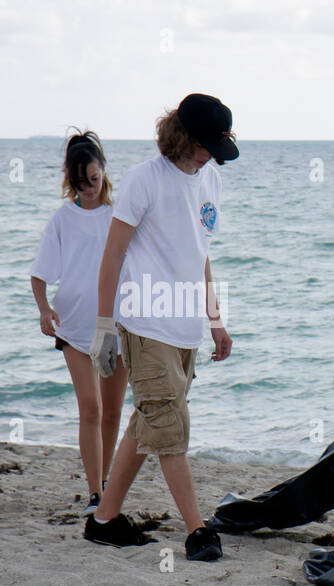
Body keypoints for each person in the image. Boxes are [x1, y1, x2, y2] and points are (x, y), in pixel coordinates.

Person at [82, 94, 238, 561]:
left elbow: (199, 253)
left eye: (215, 147)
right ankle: (197, 531)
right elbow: (113, 254)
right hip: (145, 322)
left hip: (187, 326)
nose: (207, 154)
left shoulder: (211, 179)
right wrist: (104, 327)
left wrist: (215, 320)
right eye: (202, 144)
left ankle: (104, 521)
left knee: (148, 421)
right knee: (170, 427)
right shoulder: (144, 180)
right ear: (180, 134)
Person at [29, 131, 128, 516]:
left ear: (104, 173)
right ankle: (94, 493)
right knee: (90, 407)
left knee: (112, 412)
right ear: (70, 179)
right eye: (81, 182)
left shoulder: (120, 215)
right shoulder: (62, 218)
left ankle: (105, 485)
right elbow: (39, 273)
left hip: (117, 326)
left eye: (95, 180)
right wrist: (43, 309)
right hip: (72, 327)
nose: (89, 189)